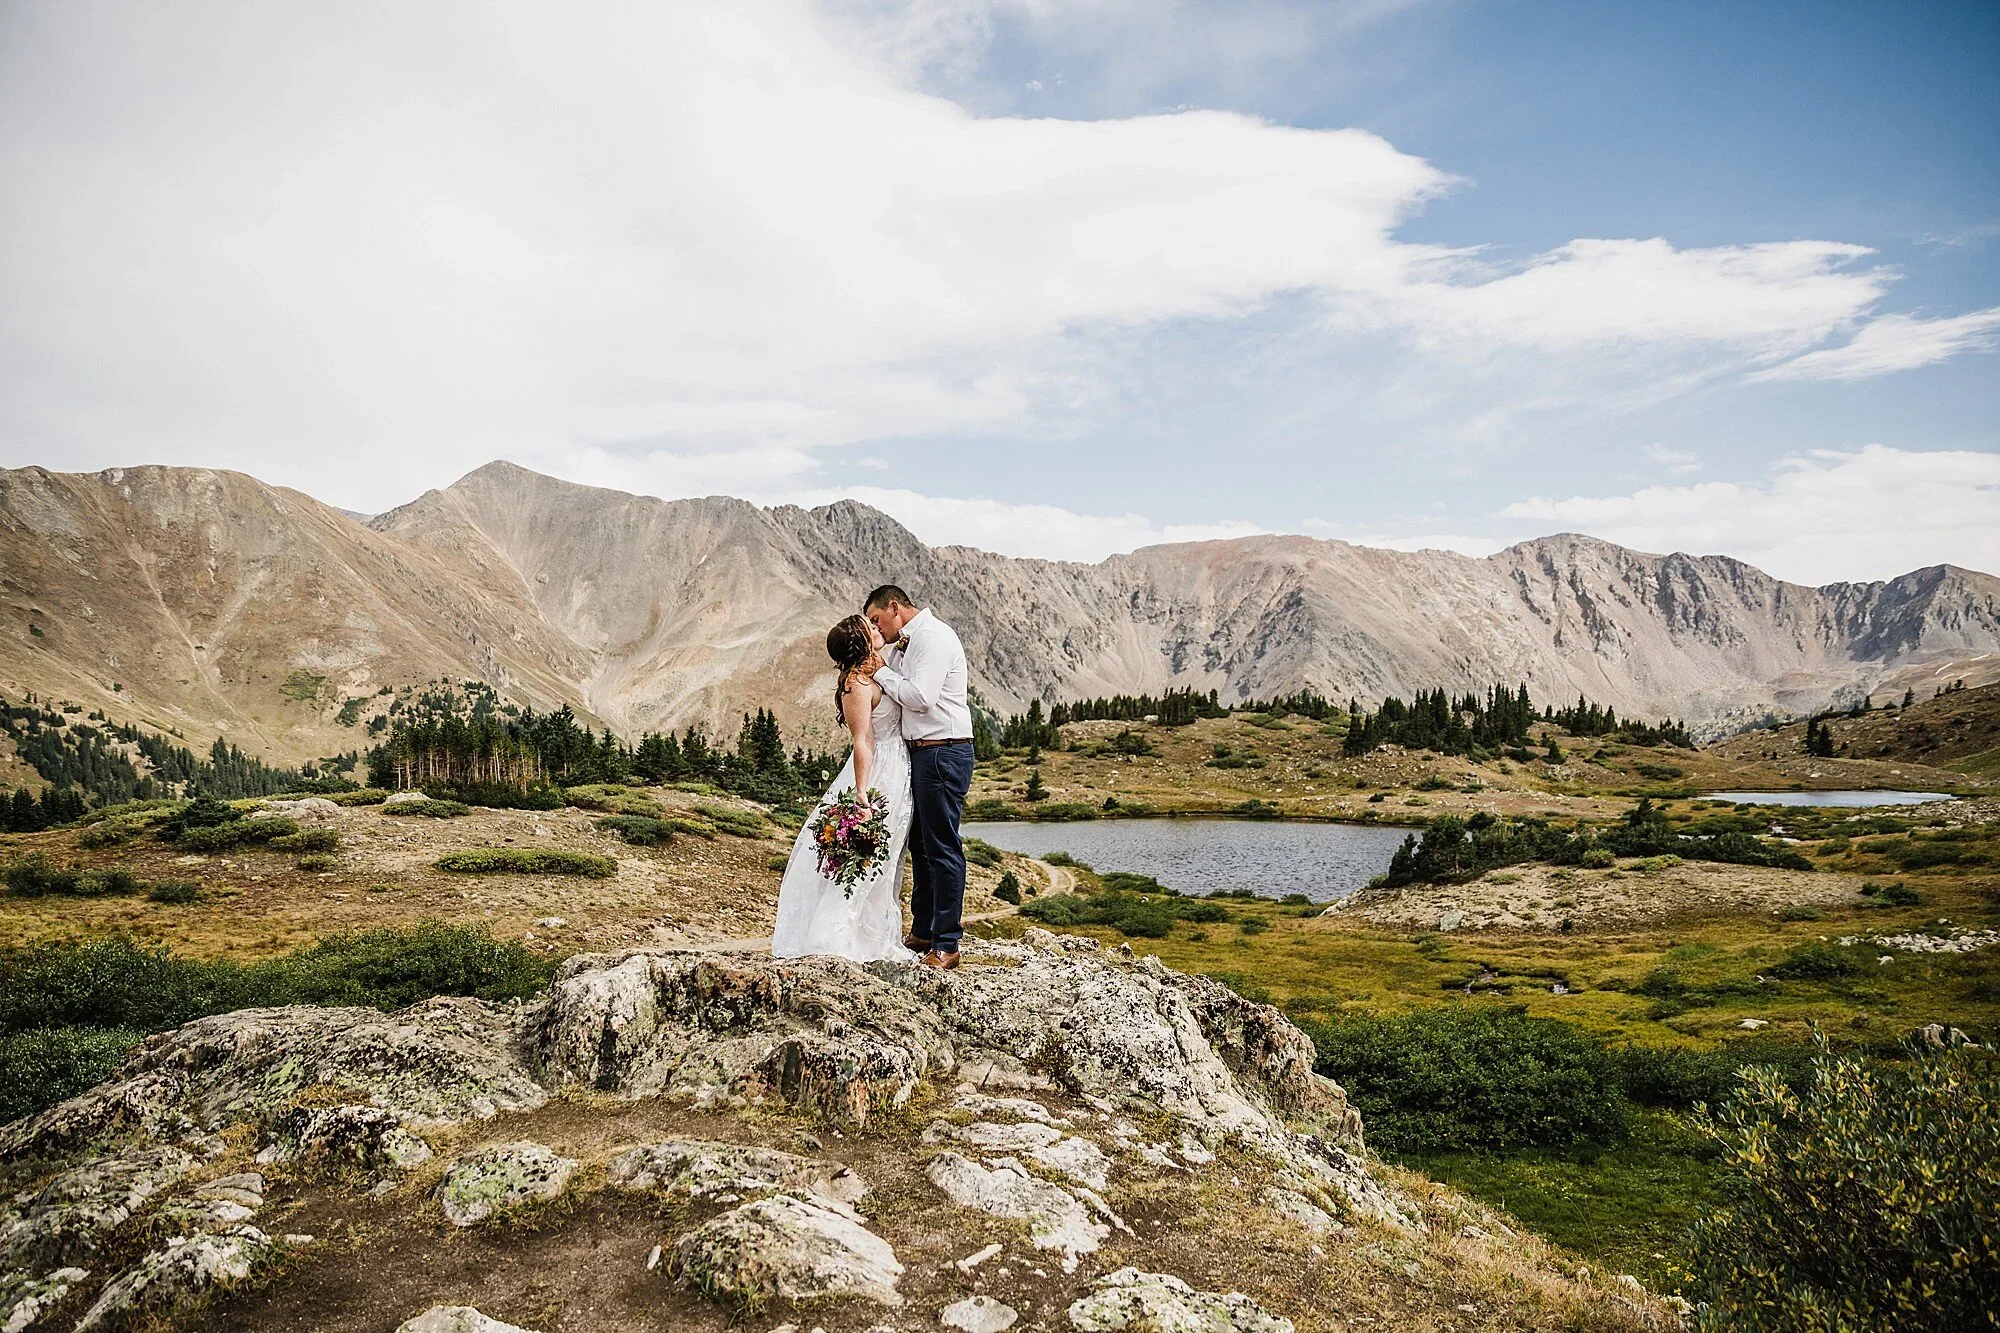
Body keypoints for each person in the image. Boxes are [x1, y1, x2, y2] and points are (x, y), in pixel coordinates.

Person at [769, 614, 917, 963]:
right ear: (861, 641)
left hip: (897, 767)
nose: (878, 629)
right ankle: (833, 938)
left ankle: (874, 937)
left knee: (889, 858)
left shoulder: (871, 673)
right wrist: (862, 792)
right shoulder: (856, 685)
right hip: (880, 772)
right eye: (871, 627)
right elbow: (862, 740)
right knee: (867, 861)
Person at [860, 584, 973, 970]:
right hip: (924, 753)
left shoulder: (932, 638)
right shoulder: (908, 644)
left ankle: (948, 943)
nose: (878, 629)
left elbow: (922, 697)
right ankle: (924, 931)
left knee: (942, 847)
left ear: (895, 607)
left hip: (943, 750)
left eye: (877, 620)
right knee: (921, 847)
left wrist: (883, 673)